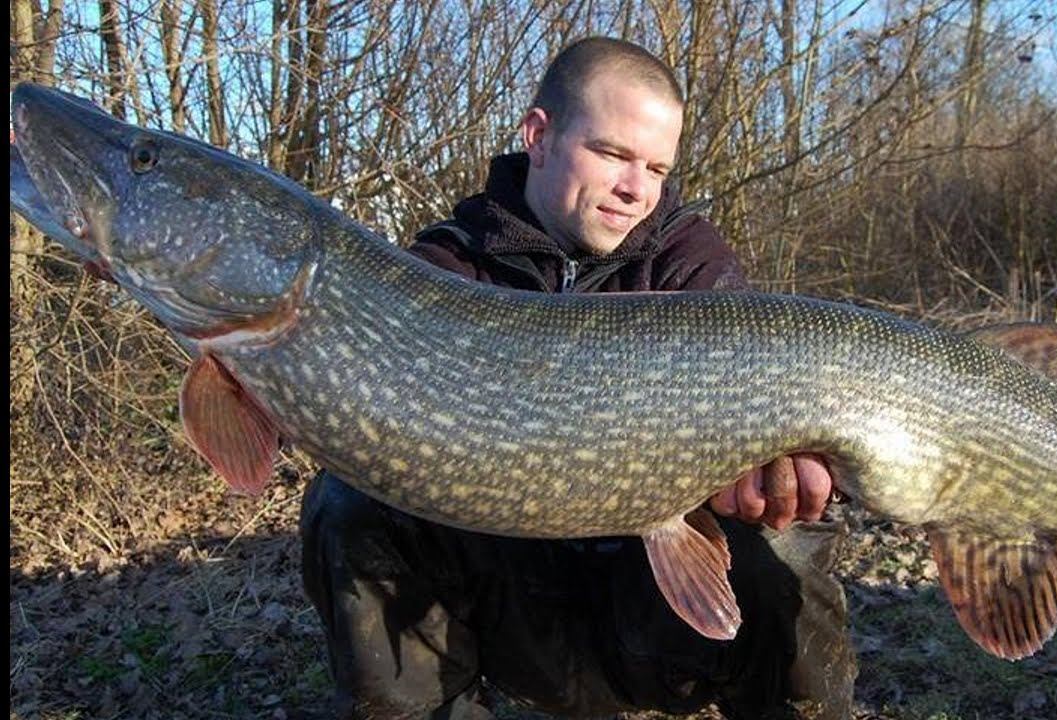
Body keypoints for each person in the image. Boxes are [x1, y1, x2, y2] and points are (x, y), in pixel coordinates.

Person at [300, 37, 857, 720]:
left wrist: (779, 472)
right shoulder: (446, 267)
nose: (636, 190)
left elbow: (763, 400)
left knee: (786, 543)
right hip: (514, 613)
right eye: (613, 154)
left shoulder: (688, 262)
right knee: (349, 501)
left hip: (652, 617)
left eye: (657, 167)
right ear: (538, 136)